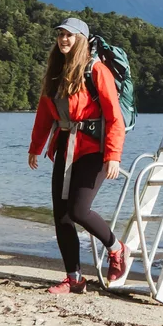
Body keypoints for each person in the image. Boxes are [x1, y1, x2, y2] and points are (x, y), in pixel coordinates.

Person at [27, 17, 127, 293]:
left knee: (78, 210)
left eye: (70, 35)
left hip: (94, 150)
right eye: (60, 35)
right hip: (64, 149)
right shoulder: (54, 73)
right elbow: (45, 114)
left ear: (81, 40)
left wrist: (113, 155)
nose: (64, 40)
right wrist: (36, 147)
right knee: (61, 216)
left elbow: (114, 116)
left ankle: (117, 248)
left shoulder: (96, 70)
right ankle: (74, 278)